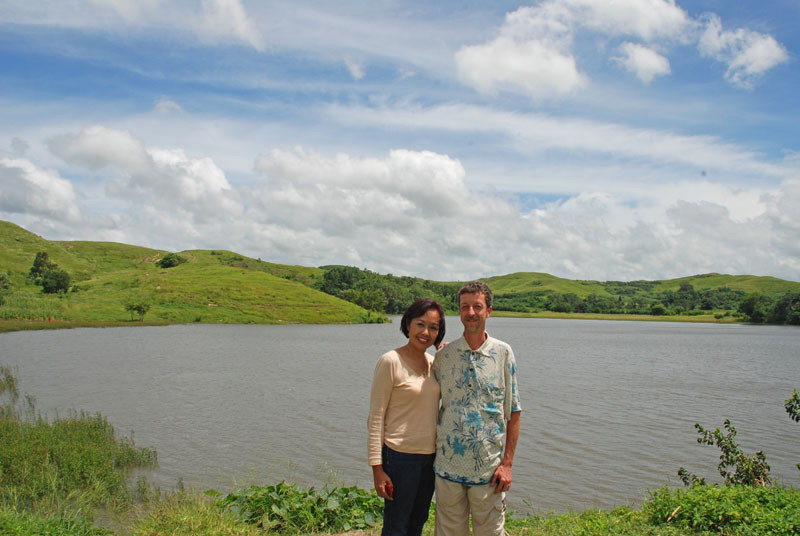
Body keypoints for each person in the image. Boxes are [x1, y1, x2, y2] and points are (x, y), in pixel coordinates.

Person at [433, 281, 521, 536]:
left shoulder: (503, 353)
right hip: (447, 467)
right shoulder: (444, 356)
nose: (471, 312)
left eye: (477, 307)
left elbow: (513, 412)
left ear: (489, 310)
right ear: (459, 312)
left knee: (491, 532)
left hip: (489, 471)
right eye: (465, 307)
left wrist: (508, 463)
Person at [368, 298, 446, 536]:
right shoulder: (391, 361)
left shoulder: (435, 363)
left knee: (417, 522)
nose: (426, 332)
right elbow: (375, 417)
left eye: (433, 327)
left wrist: (449, 355)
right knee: (396, 525)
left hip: (430, 458)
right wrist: (377, 469)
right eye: (420, 324)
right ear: (408, 324)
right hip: (399, 457)